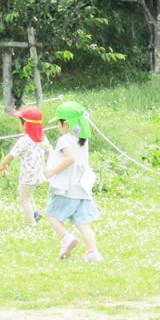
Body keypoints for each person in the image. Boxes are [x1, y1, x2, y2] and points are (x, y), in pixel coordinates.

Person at [44, 101, 101, 261]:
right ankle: (92, 252)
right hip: (81, 189)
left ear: (66, 124)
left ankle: (67, 238)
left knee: (51, 216)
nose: (57, 125)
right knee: (82, 224)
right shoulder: (83, 139)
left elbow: (70, 159)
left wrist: (51, 172)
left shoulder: (64, 140)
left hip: (67, 189)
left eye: (58, 122)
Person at [0, 106, 51, 226]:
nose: (19, 125)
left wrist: (3, 164)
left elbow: (12, 155)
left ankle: (30, 222)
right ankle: (35, 213)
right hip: (38, 174)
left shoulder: (24, 140)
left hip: (28, 176)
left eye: (20, 123)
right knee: (25, 192)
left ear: (26, 125)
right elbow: (49, 152)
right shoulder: (42, 138)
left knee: (24, 198)